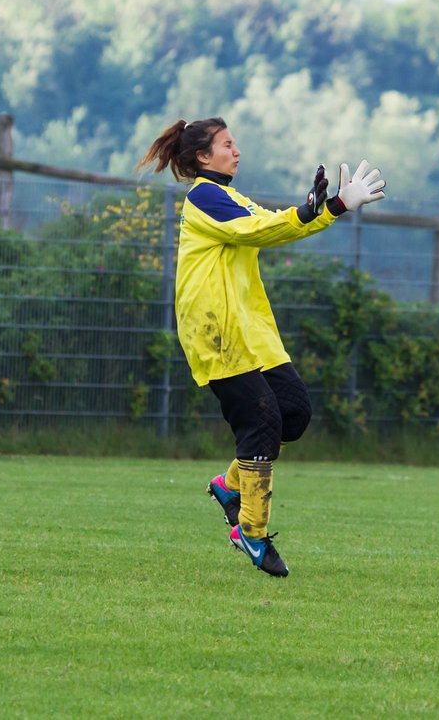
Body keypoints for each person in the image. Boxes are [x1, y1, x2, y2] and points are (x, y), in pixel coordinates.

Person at [137, 118, 385, 577]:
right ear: (202, 158)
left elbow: (270, 225)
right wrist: (320, 209)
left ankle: (230, 488)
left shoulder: (230, 197)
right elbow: (257, 231)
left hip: (250, 332)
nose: (236, 151)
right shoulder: (204, 196)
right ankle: (250, 532)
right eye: (227, 145)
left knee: (293, 413)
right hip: (216, 331)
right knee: (262, 419)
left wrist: (330, 208)